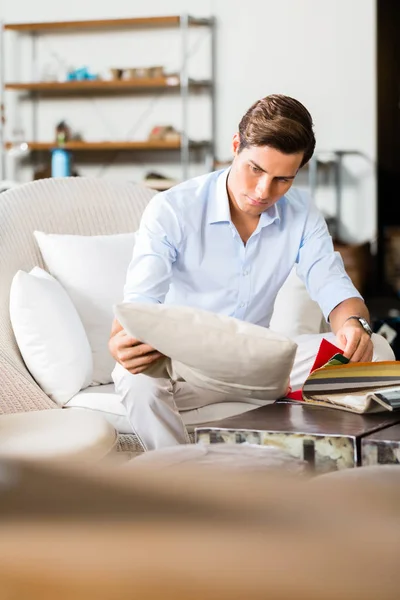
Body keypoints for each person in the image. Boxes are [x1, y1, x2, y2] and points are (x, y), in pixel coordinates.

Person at [109, 94, 394, 450]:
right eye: (255, 170)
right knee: (134, 380)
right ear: (235, 146)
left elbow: (332, 284)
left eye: (282, 179)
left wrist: (355, 327)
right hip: (187, 370)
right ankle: (181, 480)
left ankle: (324, 461)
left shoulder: (302, 212)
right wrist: (124, 342)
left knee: (378, 350)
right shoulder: (172, 208)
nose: (263, 191)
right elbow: (139, 303)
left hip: (261, 367)